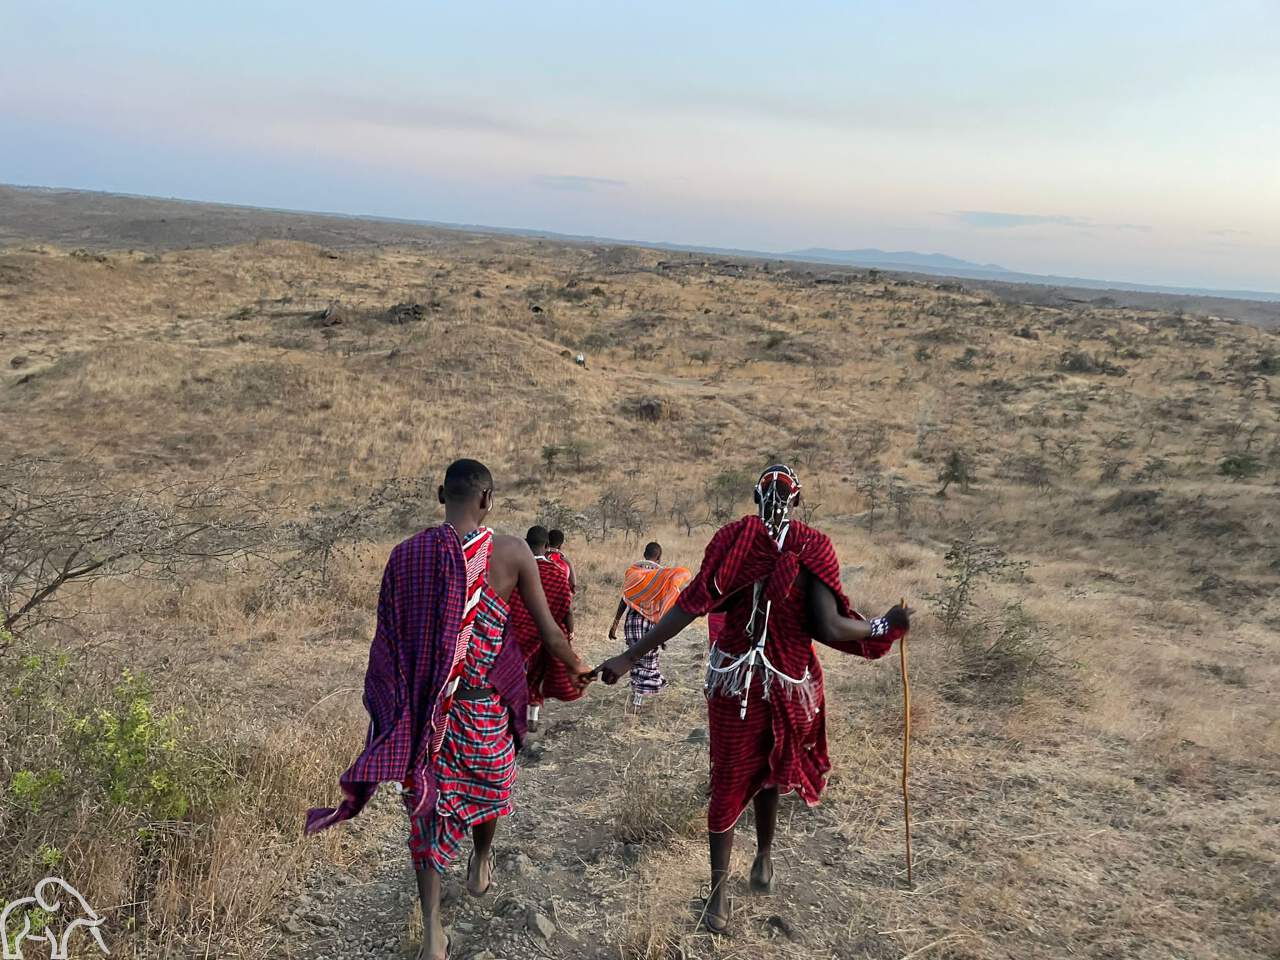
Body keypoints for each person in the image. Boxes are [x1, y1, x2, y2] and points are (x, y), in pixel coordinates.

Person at [597, 465, 911, 933]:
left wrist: (629, 655)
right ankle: (764, 855)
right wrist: (884, 624)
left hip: (734, 685)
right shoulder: (812, 547)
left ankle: (719, 900)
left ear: (754, 495)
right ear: (798, 501)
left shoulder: (734, 541)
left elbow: (691, 604)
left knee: (727, 781)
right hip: (791, 685)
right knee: (771, 771)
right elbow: (829, 628)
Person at [306, 459, 593, 960]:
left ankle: (433, 932)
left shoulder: (405, 555)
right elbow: (550, 633)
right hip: (482, 712)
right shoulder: (512, 552)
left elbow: (388, 646)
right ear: (488, 499)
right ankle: (482, 858)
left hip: (427, 718)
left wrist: (394, 713)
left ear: (442, 494)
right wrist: (581, 668)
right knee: (493, 783)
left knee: (427, 812)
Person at [507, 525, 582, 731]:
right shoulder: (558, 574)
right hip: (543, 636)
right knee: (537, 675)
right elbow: (566, 609)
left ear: (525, 542)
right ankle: (532, 714)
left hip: (514, 635)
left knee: (515, 675)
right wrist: (569, 631)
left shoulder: (514, 570)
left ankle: (511, 714)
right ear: (547, 546)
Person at [607, 541, 691, 710]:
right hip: (651, 627)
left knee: (634, 659)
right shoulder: (663, 577)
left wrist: (615, 624)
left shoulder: (633, 573)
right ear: (659, 557)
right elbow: (667, 605)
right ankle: (639, 697)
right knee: (649, 662)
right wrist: (665, 633)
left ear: (644, 554)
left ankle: (638, 692)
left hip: (631, 625)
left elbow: (625, 600)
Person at [545, 528, 577, 594]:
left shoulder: (539, 557)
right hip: (557, 598)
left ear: (546, 542)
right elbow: (573, 587)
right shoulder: (566, 562)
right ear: (560, 546)